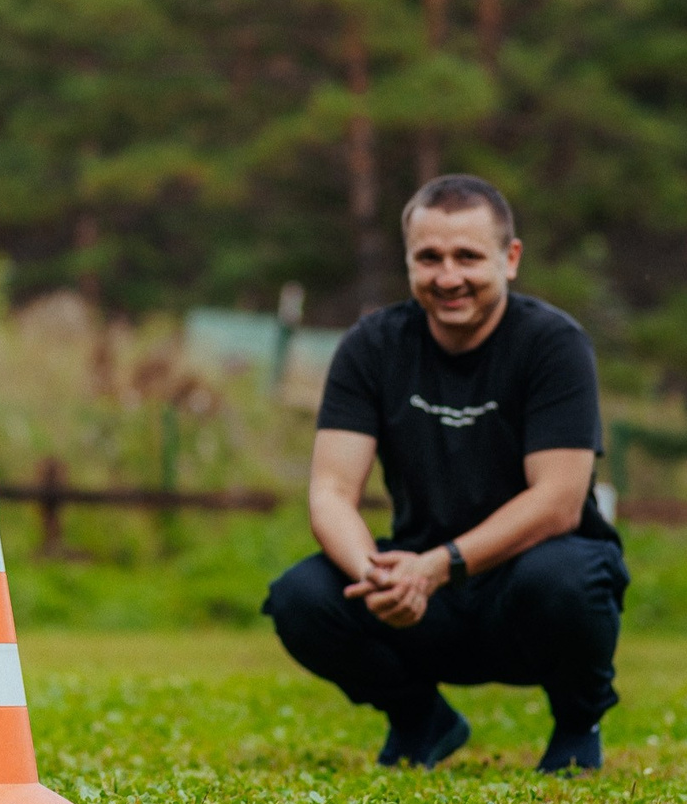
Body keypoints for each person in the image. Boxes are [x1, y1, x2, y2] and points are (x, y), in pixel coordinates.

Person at [263, 175, 626, 773]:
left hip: (524, 591)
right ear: (408, 262)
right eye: (429, 258)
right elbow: (330, 491)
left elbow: (559, 501)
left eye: (467, 257)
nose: (448, 277)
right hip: (422, 595)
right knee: (301, 597)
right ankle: (419, 720)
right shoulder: (371, 347)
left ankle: (576, 723)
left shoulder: (554, 345)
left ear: (510, 260)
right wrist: (377, 576)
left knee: (568, 576)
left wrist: (440, 566)